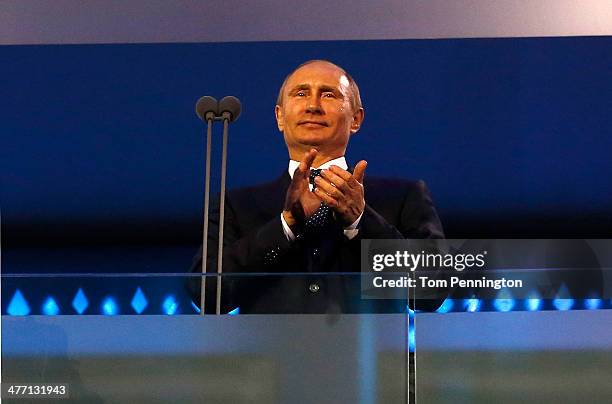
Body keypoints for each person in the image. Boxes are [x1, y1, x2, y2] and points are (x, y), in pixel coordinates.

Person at [190, 60, 444, 313]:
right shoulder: (237, 205)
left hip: (368, 353)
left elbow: (432, 290)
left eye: (329, 94)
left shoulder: (402, 197)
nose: (313, 106)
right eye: (301, 94)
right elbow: (208, 296)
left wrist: (360, 221)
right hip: (270, 354)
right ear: (280, 116)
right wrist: (285, 225)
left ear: (356, 119)